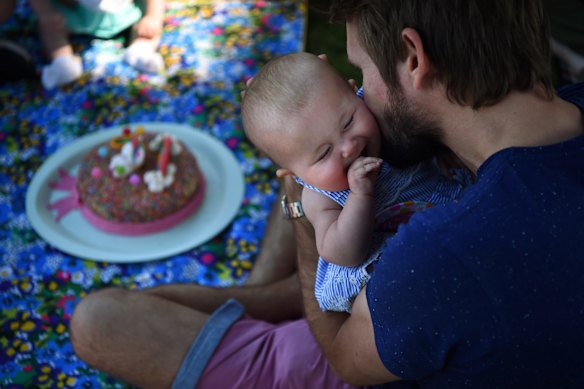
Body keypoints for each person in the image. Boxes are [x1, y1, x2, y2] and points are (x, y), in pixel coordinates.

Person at [69, 0, 584, 388]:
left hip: (350, 345)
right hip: (403, 306)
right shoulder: (564, 112)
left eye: (363, 71)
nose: (362, 91)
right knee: (316, 152)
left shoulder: (446, 254)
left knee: (97, 320)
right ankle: (268, 294)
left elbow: (342, 355)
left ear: (412, 57)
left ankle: (270, 297)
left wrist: (300, 206)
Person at [242, 51, 469, 313]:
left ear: (354, 92)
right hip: (392, 267)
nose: (348, 147)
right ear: (294, 175)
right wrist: (361, 197)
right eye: (324, 153)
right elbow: (342, 253)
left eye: (348, 122)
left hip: (446, 207)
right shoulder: (320, 197)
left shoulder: (380, 115)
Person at [28, 0, 165, 89]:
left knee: (150, 24)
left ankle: (142, 47)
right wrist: (45, 13)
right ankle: (62, 61)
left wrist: (152, 17)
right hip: (73, 13)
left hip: (125, 13)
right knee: (49, 27)